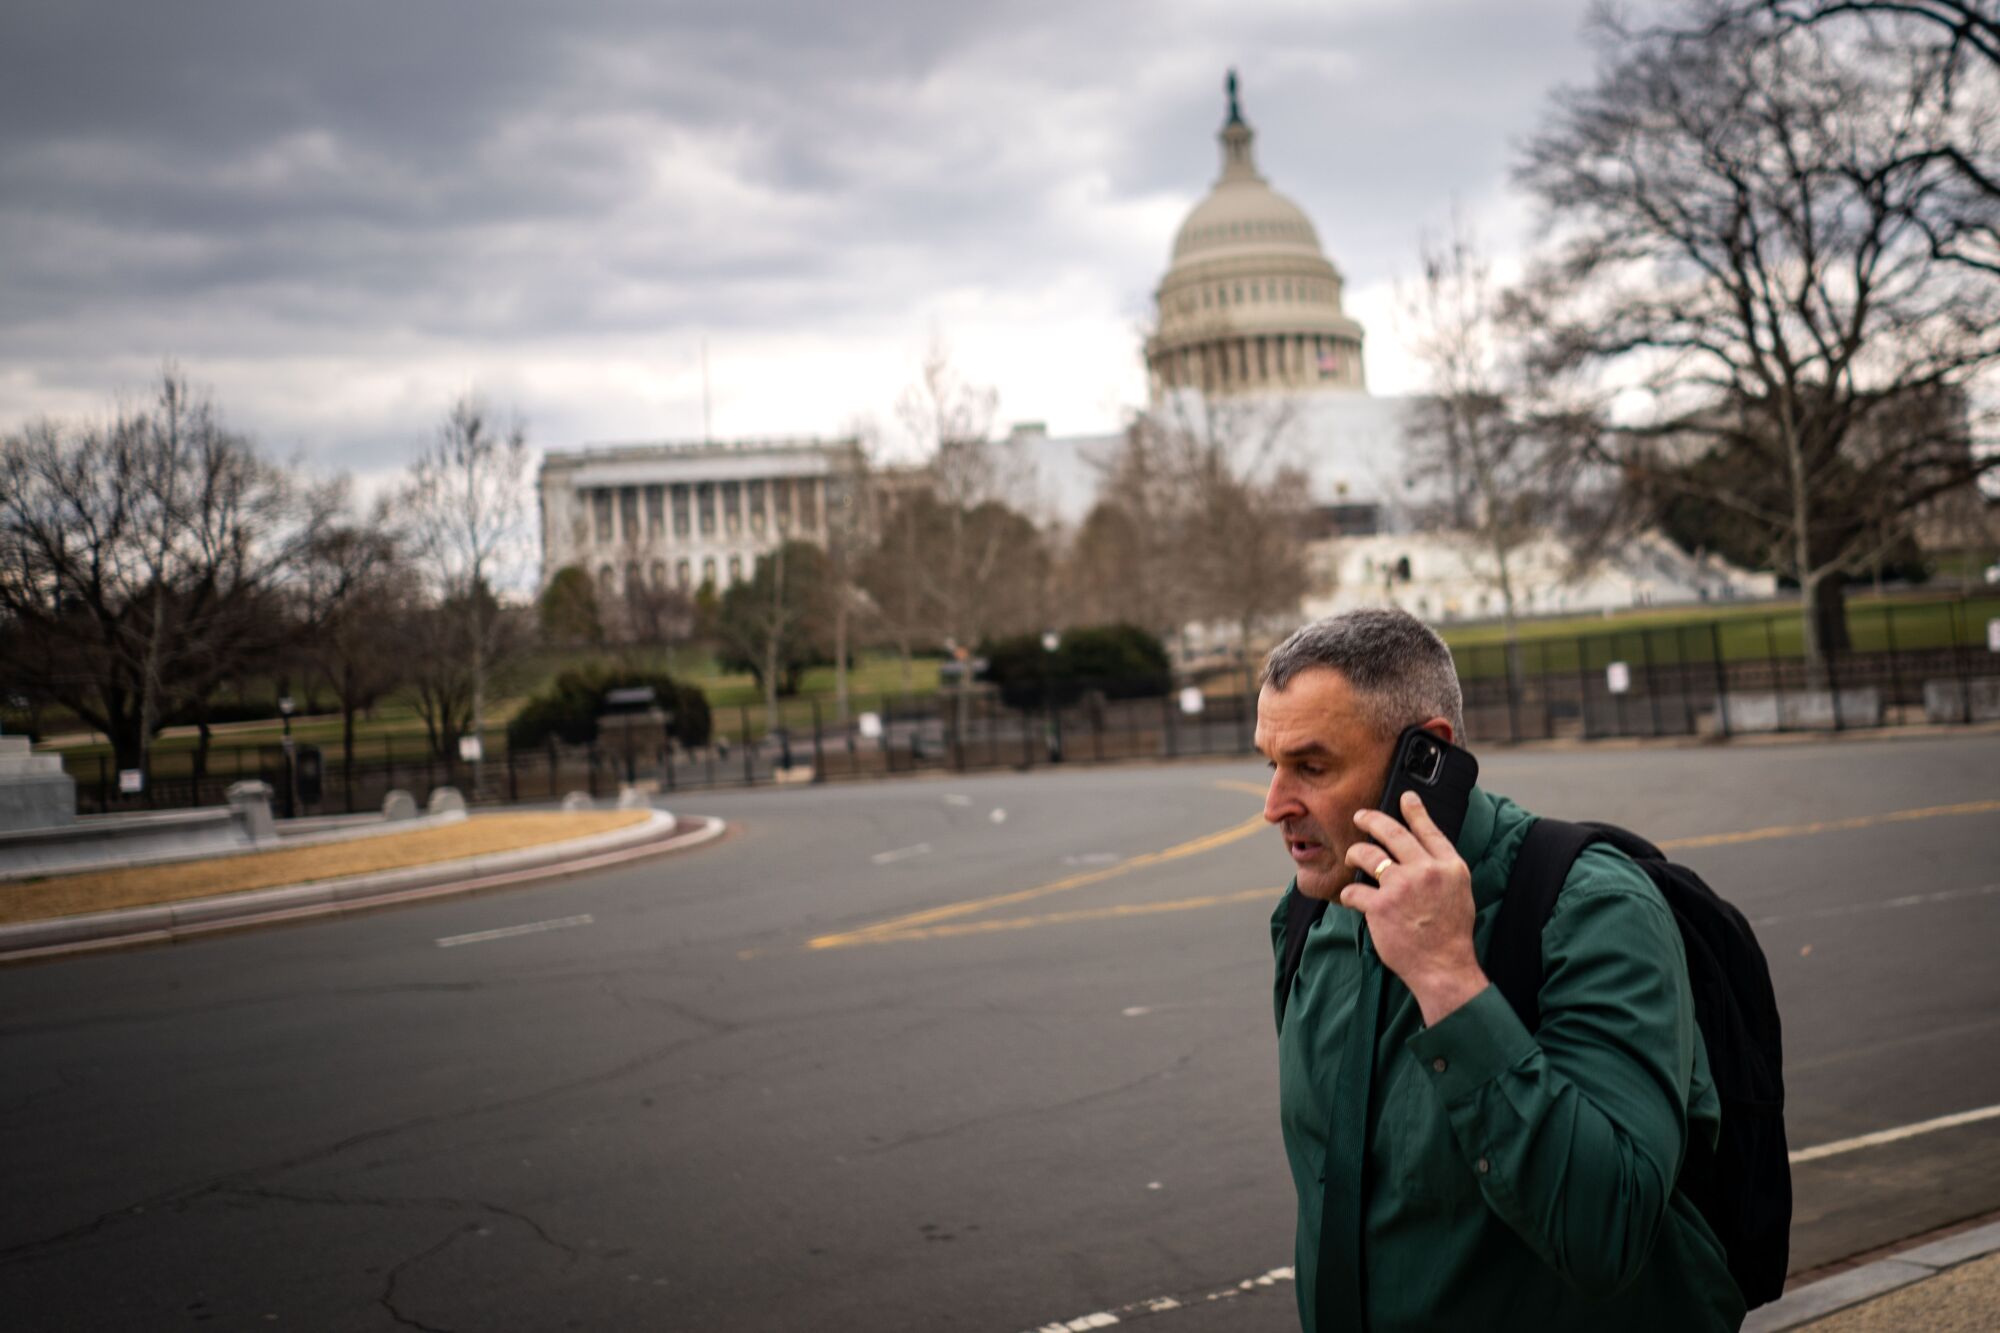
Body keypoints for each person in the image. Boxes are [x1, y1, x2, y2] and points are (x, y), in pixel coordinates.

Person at [1256, 609, 1744, 1332]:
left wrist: (1449, 980)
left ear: (1425, 754)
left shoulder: (1591, 909)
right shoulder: (1310, 918)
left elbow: (1608, 1232)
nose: (1274, 806)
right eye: (1271, 763)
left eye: (1312, 766)